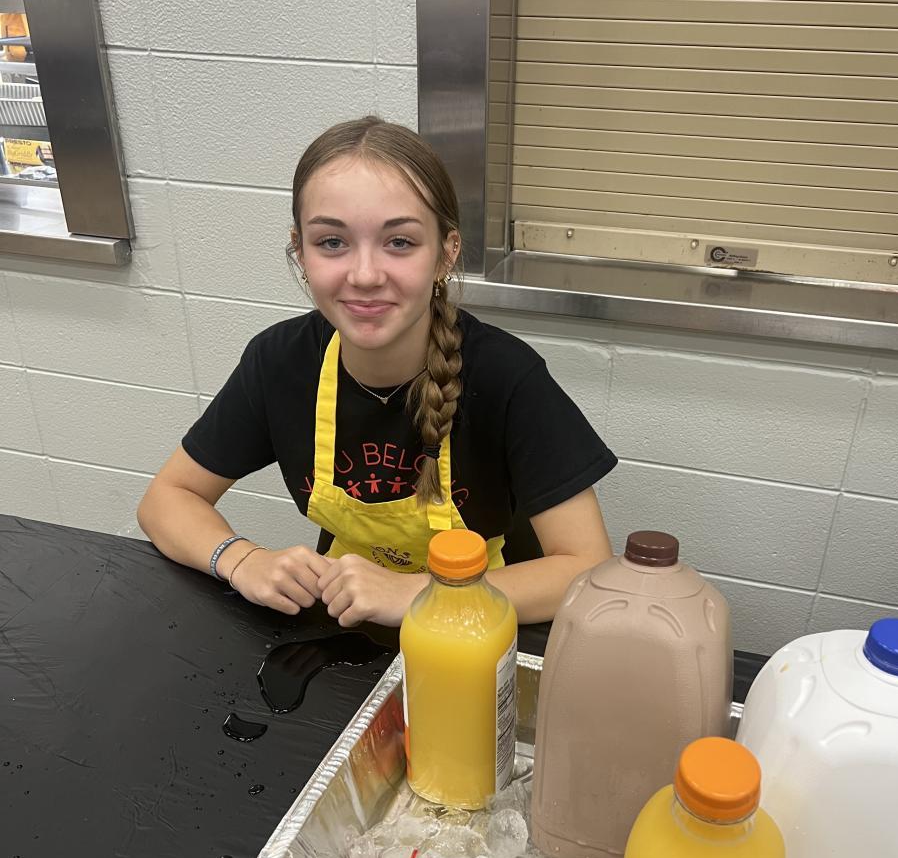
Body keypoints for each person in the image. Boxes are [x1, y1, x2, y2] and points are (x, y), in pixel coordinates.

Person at [137, 117, 617, 627]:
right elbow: (165, 499)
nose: (364, 275)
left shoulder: (508, 377)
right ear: (300, 251)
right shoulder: (278, 362)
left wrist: (418, 594)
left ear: (446, 253)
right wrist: (241, 560)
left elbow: (586, 569)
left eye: (400, 242)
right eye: (332, 242)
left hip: (483, 628)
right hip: (347, 628)